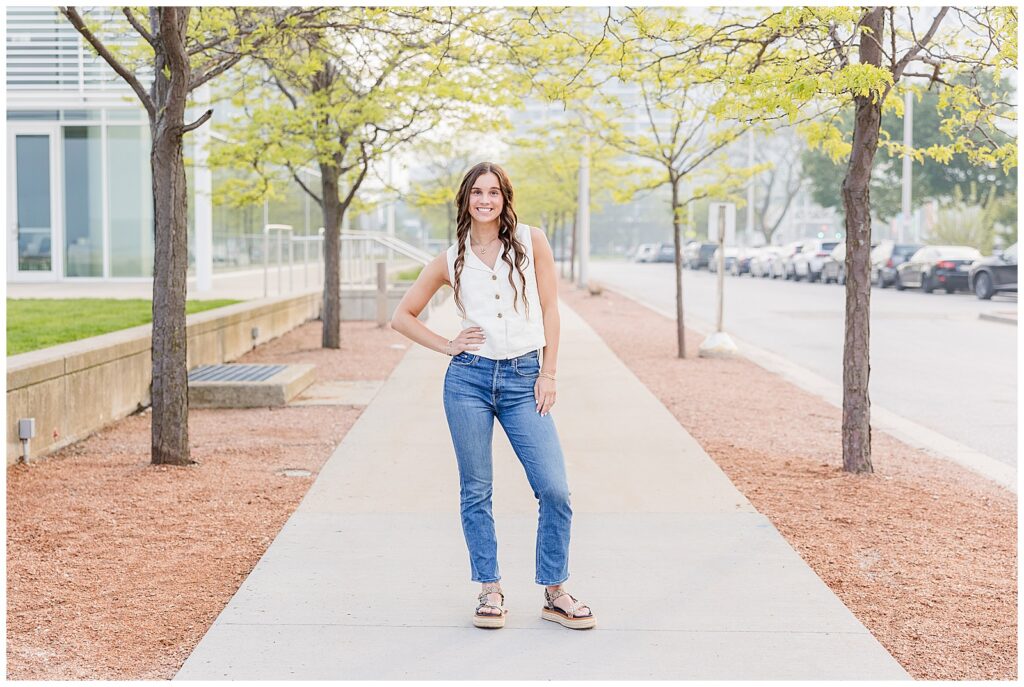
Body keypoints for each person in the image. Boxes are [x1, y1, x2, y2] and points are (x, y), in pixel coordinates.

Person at [390, 161, 595, 630]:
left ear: (505, 199)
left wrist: (550, 372)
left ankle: (555, 589)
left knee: (555, 489)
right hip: (469, 381)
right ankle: (489, 588)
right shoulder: (449, 258)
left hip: (526, 378)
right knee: (476, 490)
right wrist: (447, 345)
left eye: (494, 192)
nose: (486, 200)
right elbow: (403, 315)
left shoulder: (531, 240)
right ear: (466, 199)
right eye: (477, 192)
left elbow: (549, 309)